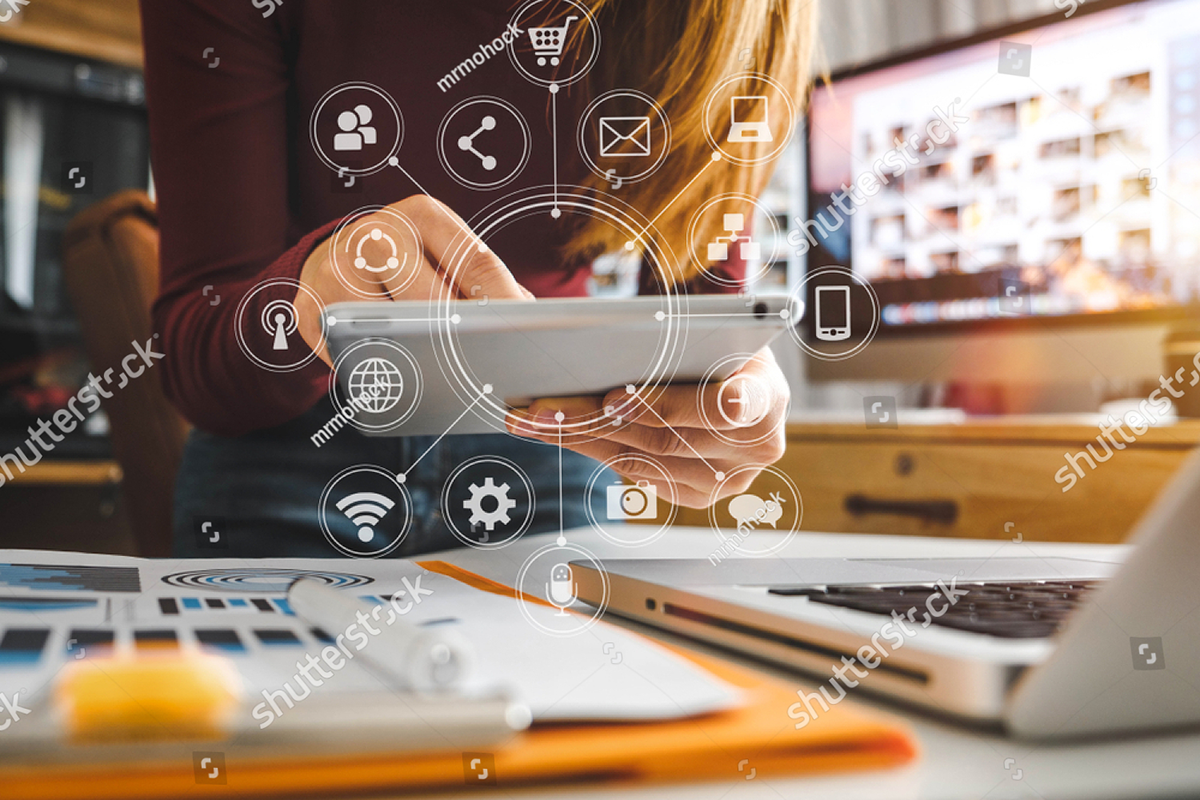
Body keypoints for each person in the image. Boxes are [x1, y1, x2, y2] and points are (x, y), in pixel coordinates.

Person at [139, 0, 818, 557]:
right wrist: (307, 294)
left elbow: (700, 314)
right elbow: (198, 361)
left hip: (552, 446)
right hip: (283, 457)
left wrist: (722, 402)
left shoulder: (732, 15)